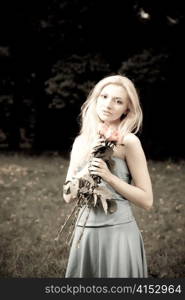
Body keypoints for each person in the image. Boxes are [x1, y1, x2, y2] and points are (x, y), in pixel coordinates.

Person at [63, 74, 153, 278]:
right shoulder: (80, 142)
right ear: (95, 99)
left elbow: (147, 201)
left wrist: (109, 177)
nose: (108, 104)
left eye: (118, 101)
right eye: (104, 96)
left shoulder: (129, 142)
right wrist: (87, 169)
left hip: (119, 233)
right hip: (84, 231)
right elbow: (67, 196)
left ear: (127, 109)